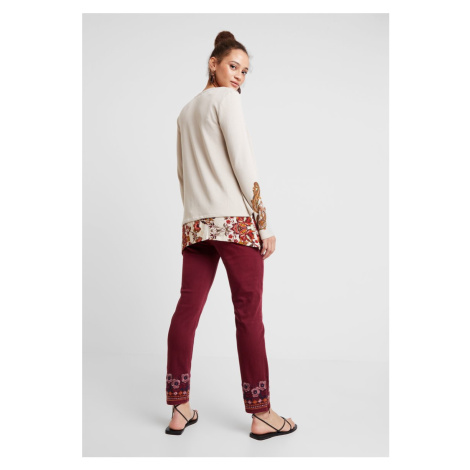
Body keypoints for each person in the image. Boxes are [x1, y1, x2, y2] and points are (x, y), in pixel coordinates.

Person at [165, 31, 297, 440]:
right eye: (232, 66)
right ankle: (262, 414)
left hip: (196, 224)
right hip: (236, 224)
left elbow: (183, 174)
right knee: (248, 315)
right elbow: (244, 163)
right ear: (214, 63)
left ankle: (179, 409)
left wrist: (195, 217)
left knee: (186, 310)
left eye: (244, 71)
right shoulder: (226, 100)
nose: (239, 76)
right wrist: (263, 223)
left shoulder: (186, 111)